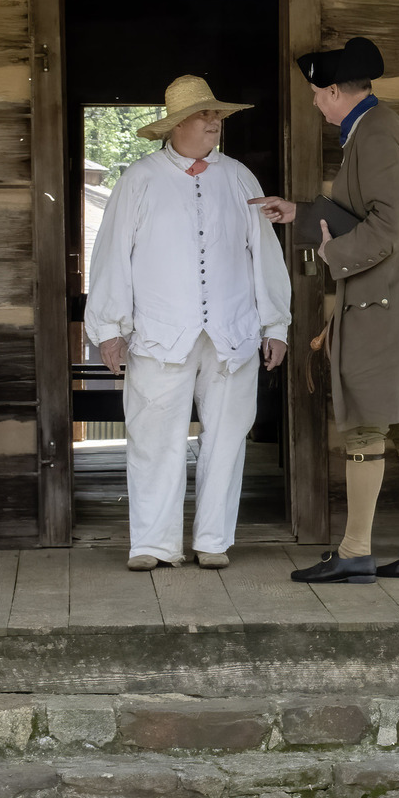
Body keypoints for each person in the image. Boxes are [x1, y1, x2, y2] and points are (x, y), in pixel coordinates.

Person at [249, 37, 399, 584]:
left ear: (337, 91)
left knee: (365, 423)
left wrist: (328, 252)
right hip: (391, 296)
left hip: (381, 300)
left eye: (319, 95)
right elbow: (358, 212)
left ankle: (355, 551)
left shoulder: (378, 135)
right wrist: (298, 212)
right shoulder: (372, 128)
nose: (316, 104)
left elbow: (391, 224)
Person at [84, 76, 291, 571]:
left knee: (227, 439)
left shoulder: (240, 178)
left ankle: (213, 540)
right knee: (153, 439)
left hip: (232, 332)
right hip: (160, 333)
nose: (215, 122)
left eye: (217, 115)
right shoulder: (140, 179)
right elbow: (111, 254)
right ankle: (153, 544)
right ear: (177, 124)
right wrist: (109, 327)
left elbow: (264, 254)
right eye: (205, 115)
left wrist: (275, 325)